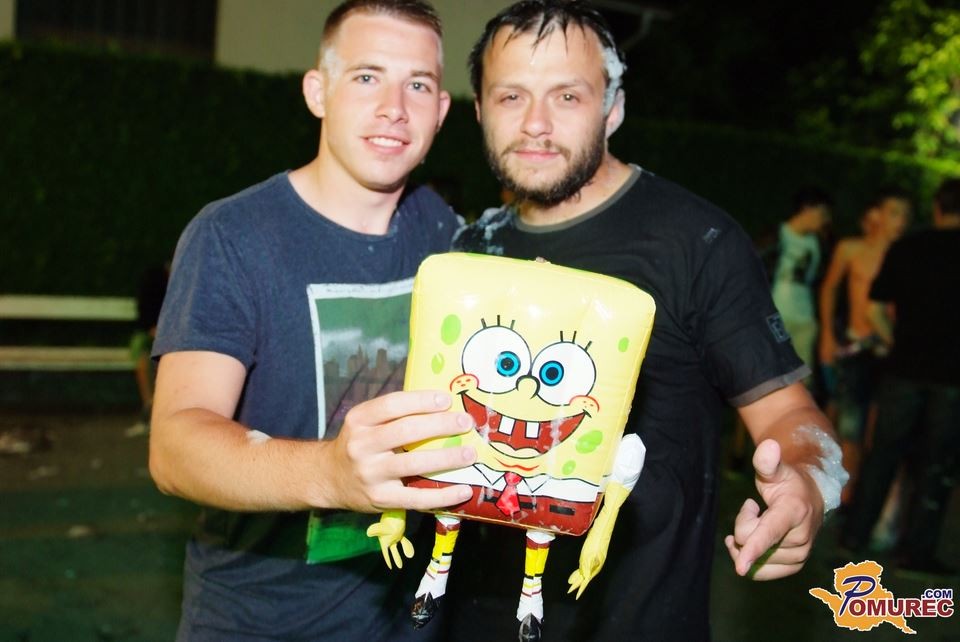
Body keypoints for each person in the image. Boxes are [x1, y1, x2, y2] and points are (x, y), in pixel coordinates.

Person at [446, 2, 847, 640]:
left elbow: (788, 414)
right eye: (511, 95)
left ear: (613, 108)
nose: (535, 123)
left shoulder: (696, 242)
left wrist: (806, 485)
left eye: (567, 96)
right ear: (479, 111)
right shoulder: (470, 250)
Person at [148, 2, 479, 640]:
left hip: (410, 618)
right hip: (261, 623)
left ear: (441, 110)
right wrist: (331, 473)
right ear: (317, 92)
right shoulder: (233, 236)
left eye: (417, 85)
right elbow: (175, 446)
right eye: (366, 76)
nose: (394, 107)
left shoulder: (443, 232)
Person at [841, 178, 960, 578]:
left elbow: (874, 307)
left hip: (903, 369)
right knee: (935, 465)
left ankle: (854, 536)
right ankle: (916, 551)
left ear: (938, 208)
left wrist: (895, 342)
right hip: (951, 377)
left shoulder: (908, 247)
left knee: (883, 455)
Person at [817, 187, 911, 503]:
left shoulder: (909, 256)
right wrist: (827, 335)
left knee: (879, 431)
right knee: (849, 426)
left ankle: (862, 498)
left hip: (892, 352)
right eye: (894, 213)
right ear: (877, 214)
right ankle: (840, 498)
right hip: (856, 347)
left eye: (905, 215)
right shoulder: (851, 249)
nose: (900, 221)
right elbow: (829, 288)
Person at [768, 187, 833, 371]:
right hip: (776, 317)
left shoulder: (820, 243)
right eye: (822, 213)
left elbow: (822, 281)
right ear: (807, 209)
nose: (825, 220)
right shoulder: (776, 234)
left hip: (805, 319)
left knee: (802, 378)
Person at [126, 261, 169, 436]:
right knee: (143, 357)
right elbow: (145, 315)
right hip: (151, 335)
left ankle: (158, 409)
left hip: (169, 338)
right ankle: (149, 405)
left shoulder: (185, 283)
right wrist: (153, 329)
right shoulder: (153, 281)